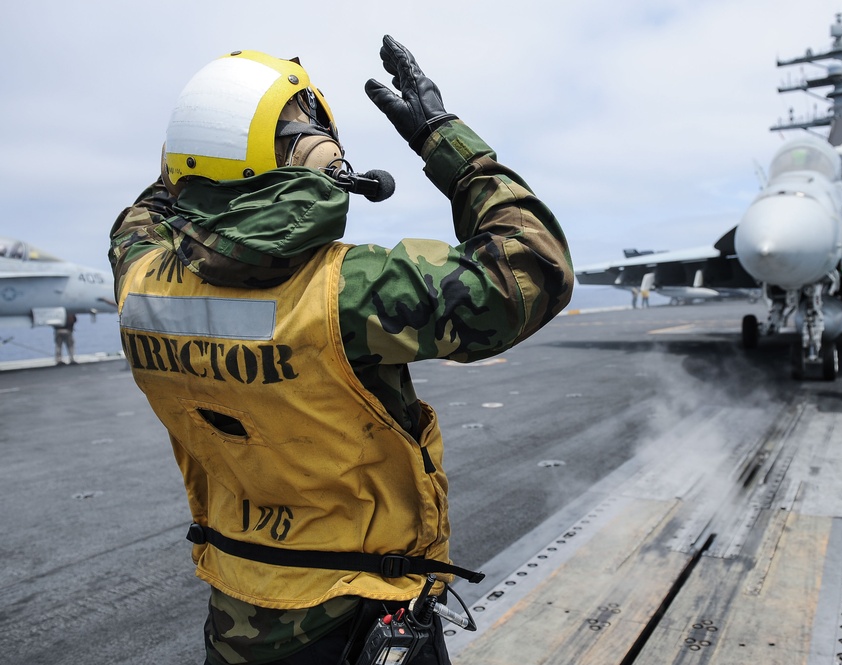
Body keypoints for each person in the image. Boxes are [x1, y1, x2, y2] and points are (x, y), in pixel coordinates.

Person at [108, 38, 573, 665]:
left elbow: (150, 209)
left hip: (237, 615)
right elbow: (533, 270)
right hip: (358, 617)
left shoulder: (138, 277)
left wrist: (209, 133)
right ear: (314, 155)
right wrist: (448, 144)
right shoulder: (350, 292)